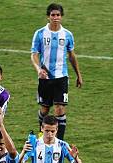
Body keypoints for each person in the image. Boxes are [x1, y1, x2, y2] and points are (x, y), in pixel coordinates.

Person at [31, 3, 82, 140]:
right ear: (48, 17)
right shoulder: (40, 33)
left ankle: (59, 141)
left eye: (58, 15)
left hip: (61, 77)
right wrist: (38, 69)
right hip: (45, 78)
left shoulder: (67, 35)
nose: (55, 17)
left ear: (61, 16)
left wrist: (78, 75)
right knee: (45, 110)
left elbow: (71, 56)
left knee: (59, 109)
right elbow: (34, 54)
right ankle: (42, 137)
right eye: (53, 15)